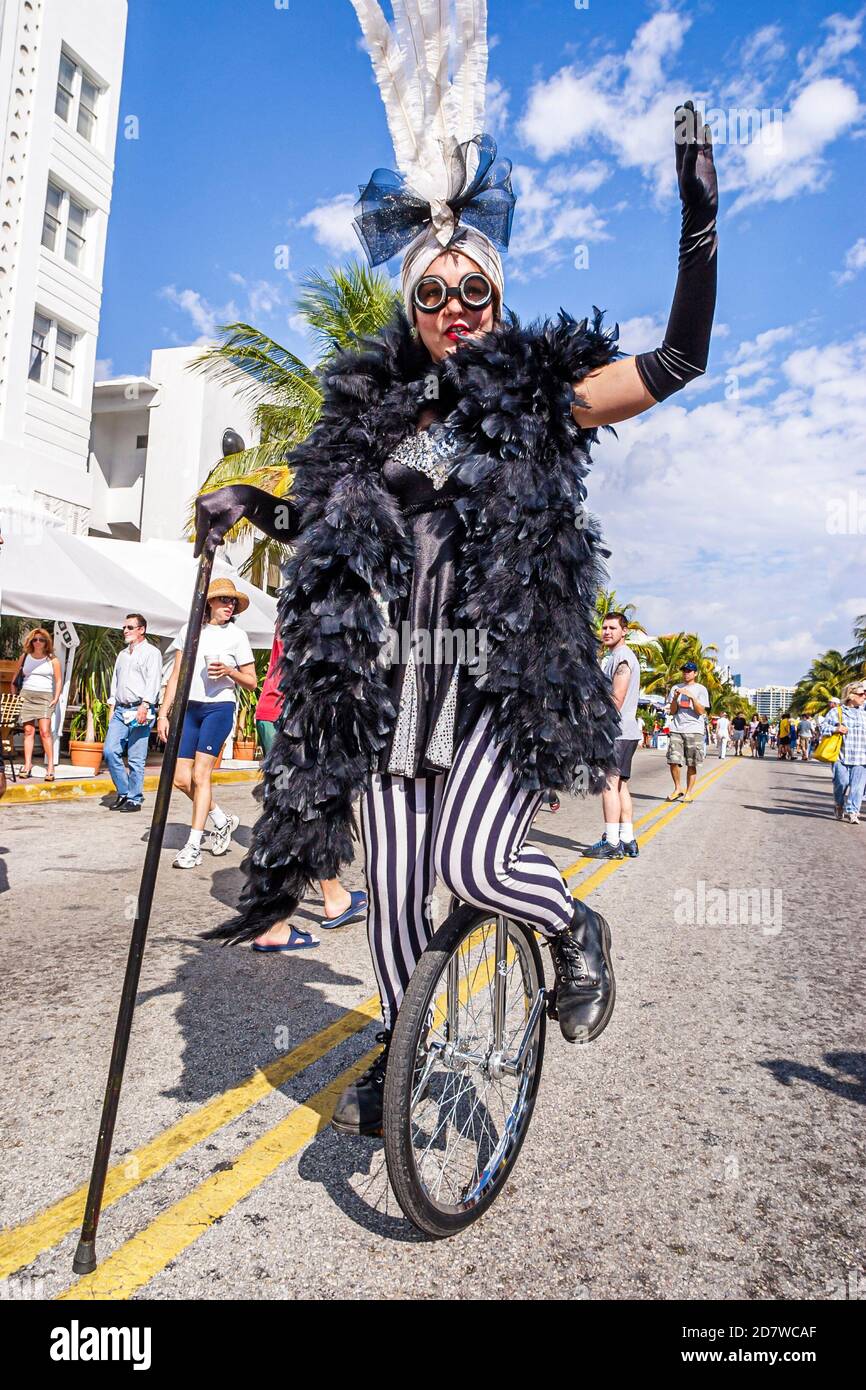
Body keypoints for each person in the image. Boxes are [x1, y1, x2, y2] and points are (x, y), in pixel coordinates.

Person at [193, 5, 718, 1137]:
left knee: (478, 860)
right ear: (413, 306)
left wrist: (697, 227)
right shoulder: (379, 419)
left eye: (471, 292)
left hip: (492, 682)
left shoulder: (538, 394)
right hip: (390, 686)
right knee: (390, 902)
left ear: (497, 294)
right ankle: (401, 1030)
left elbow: (677, 361)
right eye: (430, 295)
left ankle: (573, 931)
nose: (451, 312)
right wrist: (255, 505)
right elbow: (336, 524)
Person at [251, 631, 368, 949]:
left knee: (306, 810)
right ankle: (272, 924)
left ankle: (334, 897)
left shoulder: (301, 594)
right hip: (296, 720)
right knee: (291, 815)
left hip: (278, 715)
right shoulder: (327, 598)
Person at [158, 579, 257, 869]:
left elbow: (251, 682)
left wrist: (229, 671)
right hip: (189, 709)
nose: (229, 606)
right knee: (180, 779)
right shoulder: (190, 631)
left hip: (219, 708)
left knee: (202, 776)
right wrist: (164, 713)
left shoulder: (237, 636)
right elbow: (176, 674)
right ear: (210, 602)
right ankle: (221, 819)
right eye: (224, 600)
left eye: (233, 602)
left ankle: (193, 846)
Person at [586, 613, 642, 860]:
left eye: (612, 628)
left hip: (616, 732)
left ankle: (611, 842)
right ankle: (628, 840)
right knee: (620, 786)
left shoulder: (622, 659)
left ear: (624, 631)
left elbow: (616, 699)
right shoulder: (616, 657)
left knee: (608, 786)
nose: (606, 631)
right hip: (626, 732)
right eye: (604, 628)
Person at [103, 614, 163, 812]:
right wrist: (112, 706)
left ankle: (134, 798)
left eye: (130, 627)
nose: (125, 631)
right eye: (124, 627)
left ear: (141, 630)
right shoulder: (122, 654)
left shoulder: (151, 653)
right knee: (110, 751)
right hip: (121, 709)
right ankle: (124, 791)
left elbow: (153, 680)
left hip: (140, 708)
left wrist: (145, 705)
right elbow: (116, 681)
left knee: (137, 757)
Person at [13, 628, 61, 780]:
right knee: (28, 731)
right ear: (31, 642)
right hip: (26, 695)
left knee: (45, 731)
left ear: (47, 642)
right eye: (35, 639)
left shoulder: (52, 659)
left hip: (45, 696)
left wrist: (56, 697)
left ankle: (50, 766)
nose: (38, 642)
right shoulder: (25, 656)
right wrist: (15, 696)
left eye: (41, 639)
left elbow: (59, 680)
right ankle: (28, 765)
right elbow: (15, 678)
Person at [821, 681, 866, 823]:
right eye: (861, 694)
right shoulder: (837, 712)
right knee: (841, 782)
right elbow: (822, 728)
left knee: (858, 788)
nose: (864, 696)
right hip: (841, 757)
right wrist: (836, 729)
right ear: (850, 695)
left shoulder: (864, 713)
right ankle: (839, 804)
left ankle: (853, 812)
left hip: (861, 757)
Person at [666, 662, 710, 801]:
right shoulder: (675, 688)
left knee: (691, 763)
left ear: (695, 673)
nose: (686, 673)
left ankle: (689, 792)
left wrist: (691, 697)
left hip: (694, 730)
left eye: (689, 671)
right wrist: (674, 697)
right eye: (684, 671)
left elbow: (701, 711)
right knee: (673, 760)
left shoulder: (701, 689)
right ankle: (677, 788)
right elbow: (672, 711)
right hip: (676, 728)